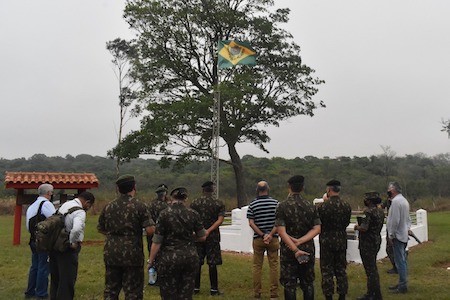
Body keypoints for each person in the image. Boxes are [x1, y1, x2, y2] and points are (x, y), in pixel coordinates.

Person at [97, 175, 155, 300]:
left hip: (111, 251)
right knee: (133, 291)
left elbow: (100, 228)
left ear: (118, 189)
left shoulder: (109, 206)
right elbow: (150, 230)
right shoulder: (140, 206)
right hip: (132, 253)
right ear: (134, 186)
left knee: (111, 289)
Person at [148, 187, 207, 299]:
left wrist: (151, 260)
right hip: (189, 257)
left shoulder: (164, 214)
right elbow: (202, 236)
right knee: (186, 293)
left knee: (168, 293)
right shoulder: (193, 214)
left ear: (171, 197)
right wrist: (189, 237)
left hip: (168, 258)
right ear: (185, 198)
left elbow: (157, 240)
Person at [275, 175, 321, 300]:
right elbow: (317, 228)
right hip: (307, 248)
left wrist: (295, 248)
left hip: (289, 249)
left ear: (289, 187)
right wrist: (301, 240)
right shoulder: (311, 206)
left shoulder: (282, 206)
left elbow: (281, 231)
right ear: (302, 188)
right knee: (308, 282)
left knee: (290, 284)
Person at [49, 191, 95, 300]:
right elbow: (77, 229)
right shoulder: (79, 212)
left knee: (56, 279)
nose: (88, 208)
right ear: (87, 202)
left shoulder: (65, 205)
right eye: (89, 205)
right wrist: (73, 243)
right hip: (67, 248)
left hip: (55, 245)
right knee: (67, 280)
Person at [317, 180, 352, 300]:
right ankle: (342, 295)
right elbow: (347, 222)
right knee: (341, 269)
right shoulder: (346, 205)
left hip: (326, 240)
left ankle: (329, 296)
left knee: (327, 270)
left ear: (329, 190)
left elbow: (319, 224)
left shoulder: (322, 207)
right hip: (341, 239)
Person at [190, 181, 226, 296]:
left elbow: (191, 219)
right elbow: (220, 220)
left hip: (197, 236)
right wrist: (209, 231)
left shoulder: (195, 203)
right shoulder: (218, 203)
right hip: (213, 237)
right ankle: (214, 289)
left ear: (203, 190)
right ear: (212, 190)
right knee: (212, 263)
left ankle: (195, 287)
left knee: (197, 262)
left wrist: (198, 232)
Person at [247, 181, 280, 300]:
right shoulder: (276, 204)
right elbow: (279, 222)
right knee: (274, 266)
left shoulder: (253, 204)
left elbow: (251, 223)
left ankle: (257, 293)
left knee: (257, 266)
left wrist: (262, 235)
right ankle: (274, 294)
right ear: (268, 188)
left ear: (257, 190)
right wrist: (270, 234)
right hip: (273, 239)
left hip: (258, 239)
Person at [25, 183, 56, 300]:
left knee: (35, 266)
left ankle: (30, 291)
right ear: (48, 193)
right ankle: (41, 294)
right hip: (43, 241)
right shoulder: (46, 204)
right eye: (52, 192)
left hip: (33, 239)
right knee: (44, 267)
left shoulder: (32, 206)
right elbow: (54, 220)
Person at [354, 191, 385, 300]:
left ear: (369, 201)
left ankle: (372, 294)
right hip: (376, 240)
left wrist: (356, 227)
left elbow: (364, 228)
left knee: (370, 270)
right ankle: (375, 293)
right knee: (373, 268)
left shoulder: (368, 212)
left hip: (367, 243)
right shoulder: (380, 211)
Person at [386, 182, 411, 294]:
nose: (388, 190)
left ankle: (402, 286)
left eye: (390, 189)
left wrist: (391, 234)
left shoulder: (396, 202)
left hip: (398, 235)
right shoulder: (404, 200)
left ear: (394, 190)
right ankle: (402, 282)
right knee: (403, 261)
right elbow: (407, 219)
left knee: (400, 261)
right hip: (403, 234)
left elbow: (395, 220)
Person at [146, 184, 169, 256]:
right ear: (165, 194)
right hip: (163, 233)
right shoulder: (166, 206)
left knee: (151, 251)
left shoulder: (150, 204)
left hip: (152, 231)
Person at [381, 196, 397, 274]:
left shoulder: (398, 202)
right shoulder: (387, 200)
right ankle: (395, 266)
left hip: (397, 227)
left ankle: (397, 267)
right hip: (390, 226)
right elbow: (381, 207)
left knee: (396, 248)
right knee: (389, 248)